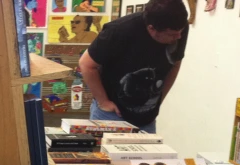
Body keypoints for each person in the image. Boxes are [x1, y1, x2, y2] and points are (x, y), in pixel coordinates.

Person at [79, 0, 189, 132]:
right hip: (112, 114)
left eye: (181, 31)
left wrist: (158, 101)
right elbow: (86, 64)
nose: (178, 37)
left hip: (147, 118)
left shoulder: (178, 28)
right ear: (152, 29)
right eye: (171, 34)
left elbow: (175, 64)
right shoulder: (118, 30)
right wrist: (103, 102)